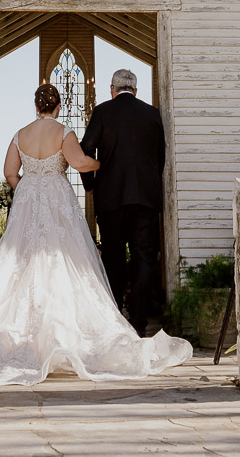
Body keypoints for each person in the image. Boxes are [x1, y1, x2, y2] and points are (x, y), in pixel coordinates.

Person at [0, 83, 191, 385]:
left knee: (19, 259)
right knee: (64, 256)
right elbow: (78, 162)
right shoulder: (63, 133)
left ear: (36, 107)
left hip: (27, 199)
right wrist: (101, 163)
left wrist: (27, 188)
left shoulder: (19, 134)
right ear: (58, 106)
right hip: (57, 197)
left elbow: (10, 173)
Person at [79, 68, 166, 335]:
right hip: (146, 199)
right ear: (136, 91)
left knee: (114, 258)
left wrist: (91, 185)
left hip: (111, 198)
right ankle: (139, 321)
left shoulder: (103, 112)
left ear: (112, 89)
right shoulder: (152, 114)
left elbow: (85, 149)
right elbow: (160, 156)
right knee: (144, 258)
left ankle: (116, 317)